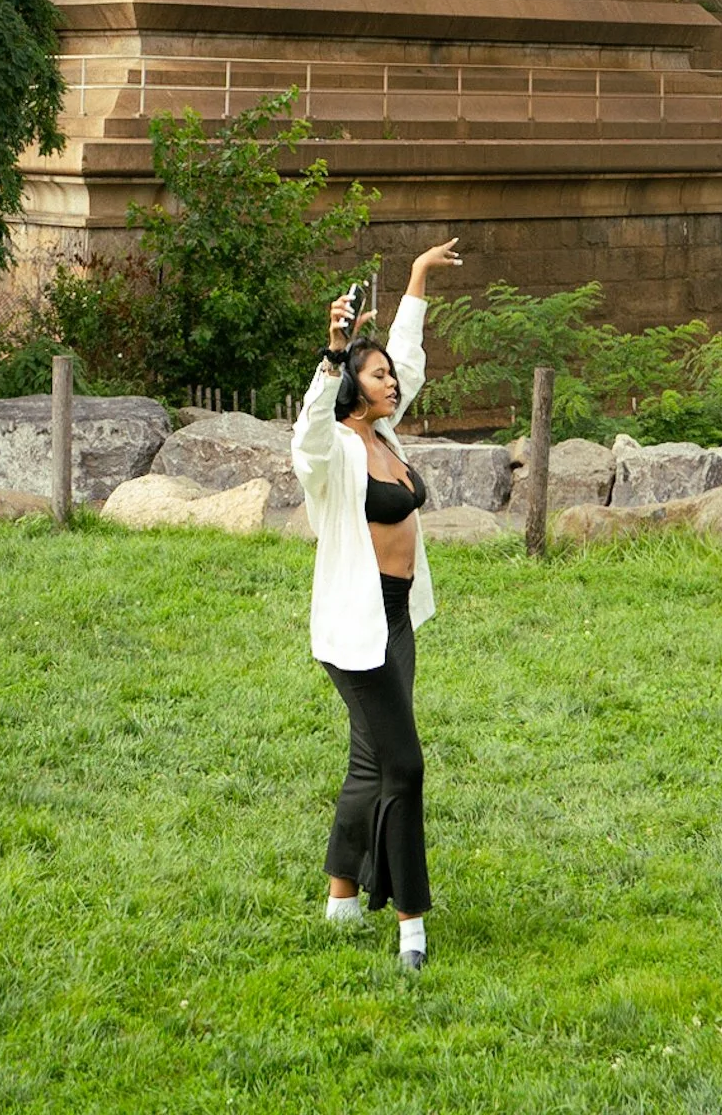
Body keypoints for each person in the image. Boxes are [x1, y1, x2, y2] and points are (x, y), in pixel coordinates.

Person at [291, 237, 463, 972]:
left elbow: (410, 358)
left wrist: (418, 279)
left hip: (396, 620)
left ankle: (339, 901)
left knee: (370, 762)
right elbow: (304, 435)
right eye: (378, 376)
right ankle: (411, 926)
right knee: (406, 767)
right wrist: (331, 355)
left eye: (388, 375)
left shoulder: (386, 431)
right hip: (352, 629)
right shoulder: (336, 449)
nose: (392, 383)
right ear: (351, 387)